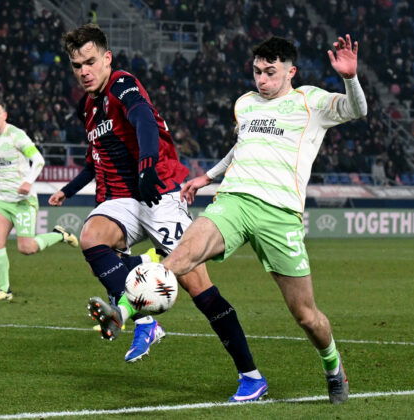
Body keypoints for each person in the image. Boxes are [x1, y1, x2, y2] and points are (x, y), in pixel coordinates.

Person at [49, 24, 264, 402]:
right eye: (77, 65)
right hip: (125, 198)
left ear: (107, 58)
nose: (84, 71)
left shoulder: (122, 83)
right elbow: (93, 160)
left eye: (90, 62)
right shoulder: (88, 107)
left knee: (200, 290)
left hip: (160, 191)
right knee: (91, 237)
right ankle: (144, 320)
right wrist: (68, 190)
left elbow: (144, 120)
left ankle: (251, 376)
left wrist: (147, 164)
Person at [164, 35, 368, 404]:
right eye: (257, 71)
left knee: (305, 315)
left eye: (270, 72)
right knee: (180, 257)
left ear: (291, 71)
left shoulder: (311, 101)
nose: (262, 79)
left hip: (280, 214)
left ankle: (333, 365)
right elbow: (242, 146)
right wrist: (208, 177)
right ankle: (125, 309)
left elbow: (357, 110)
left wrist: (350, 78)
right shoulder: (245, 103)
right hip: (235, 201)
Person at [0, 99, 79, 302]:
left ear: (5, 115)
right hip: (3, 201)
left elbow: (38, 160)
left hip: (23, 201)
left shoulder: (16, 135)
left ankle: (59, 235)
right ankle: (4, 290)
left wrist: (28, 182)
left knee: (26, 248)